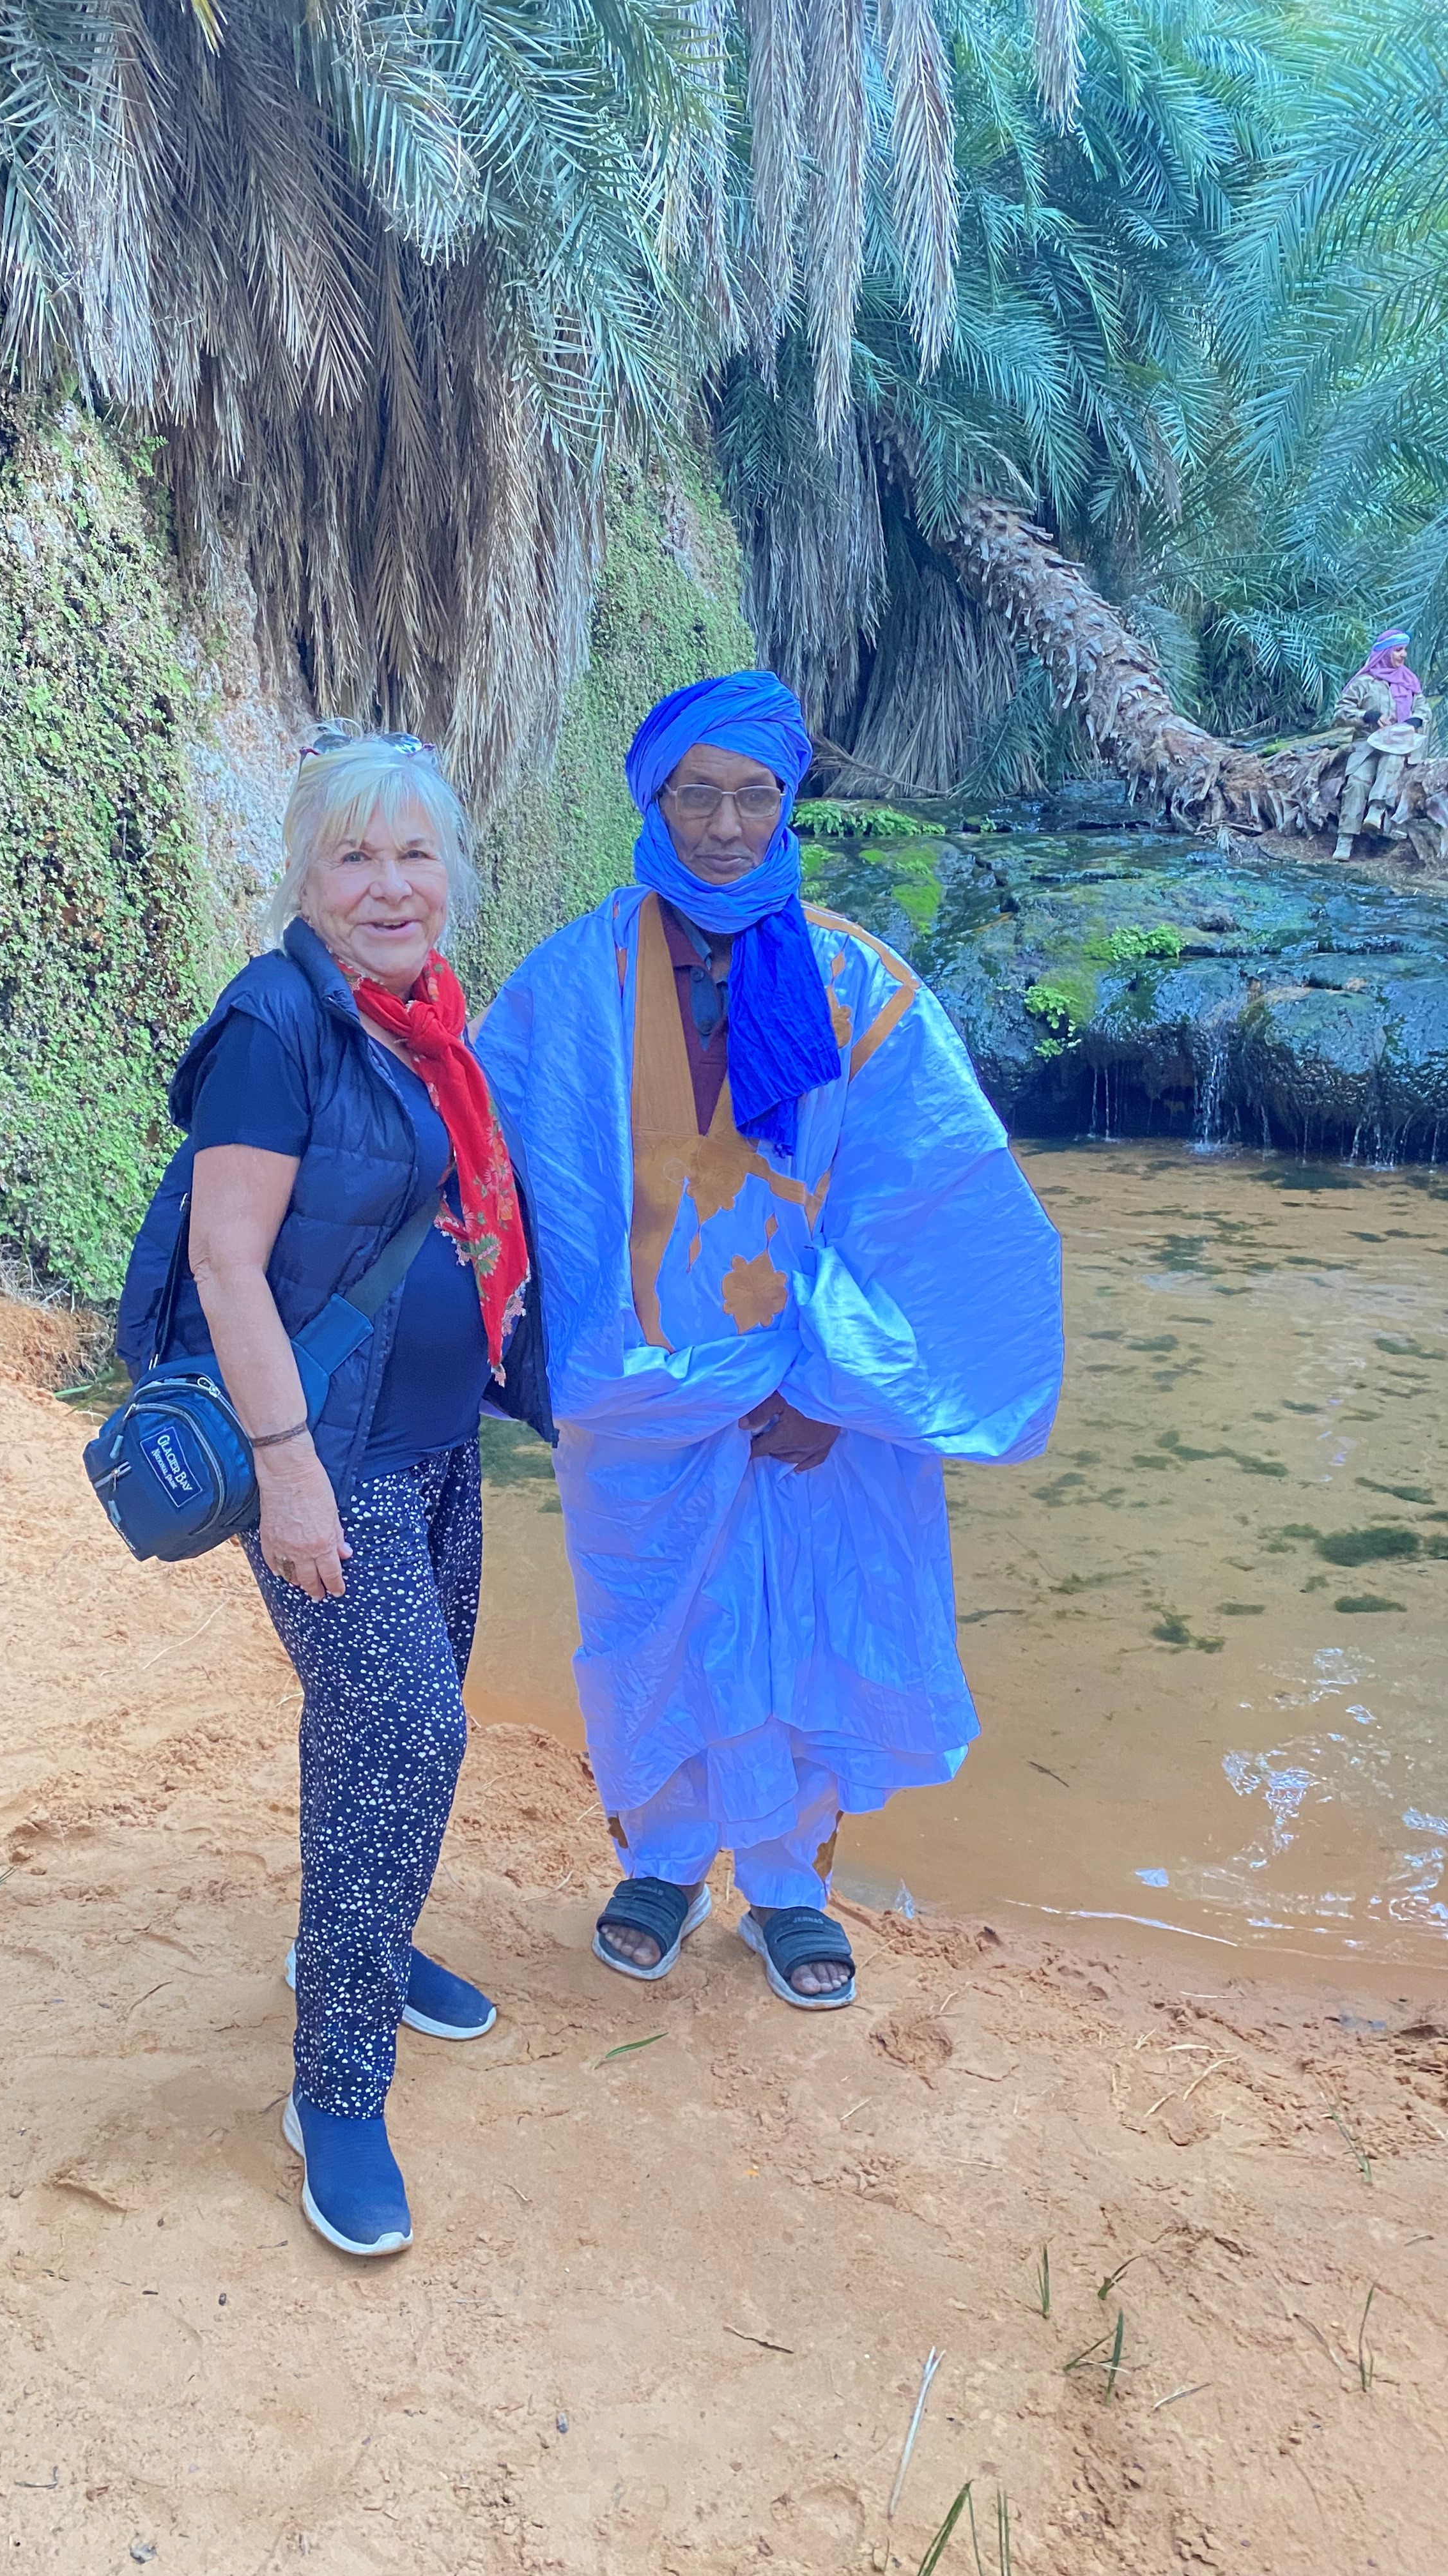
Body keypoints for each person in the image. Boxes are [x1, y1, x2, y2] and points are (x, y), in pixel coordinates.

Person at [474, 671, 1062, 2009]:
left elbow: (931, 1200)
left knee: (810, 1633)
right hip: (636, 1403)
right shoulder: (572, 982)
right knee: (649, 1637)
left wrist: (836, 1390)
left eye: (756, 796)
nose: (727, 826)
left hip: (813, 1403)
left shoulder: (856, 982)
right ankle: (664, 1864)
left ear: (789, 801)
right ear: (653, 798)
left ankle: (791, 1889)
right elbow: (501, 1175)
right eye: (699, 794)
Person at [115, 729, 550, 2258]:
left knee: (393, 1738)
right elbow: (228, 1261)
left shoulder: (431, 1024)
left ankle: (355, 1937)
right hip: (329, 1459)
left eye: (413, 853)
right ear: (303, 875)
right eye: (353, 855)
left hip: (432, 1442)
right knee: (408, 1729)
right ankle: (337, 2091)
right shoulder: (278, 1023)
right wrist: (290, 1472)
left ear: (452, 874)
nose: (387, 884)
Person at [1332, 630, 1430, 859]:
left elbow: (1423, 709)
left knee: (1393, 759)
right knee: (1357, 783)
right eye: (1398, 650)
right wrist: (1367, 716)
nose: (1403, 655)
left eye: (1405, 650)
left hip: (1400, 744)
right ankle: (1345, 841)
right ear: (1385, 653)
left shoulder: (1409, 681)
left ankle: (1376, 812)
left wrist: (1415, 721)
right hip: (1367, 746)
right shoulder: (1364, 682)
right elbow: (1340, 713)